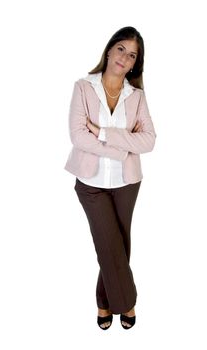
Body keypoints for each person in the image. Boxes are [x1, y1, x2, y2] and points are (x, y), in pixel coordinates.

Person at [64, 26, 156, 330]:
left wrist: (103, 133)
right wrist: (120, 148)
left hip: (127, 183)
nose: (125, 58)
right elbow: (78, 136)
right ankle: (127, 302)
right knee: (108, 242)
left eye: (132, 56)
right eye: (121, 49)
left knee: (117, 244)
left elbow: (148, 141)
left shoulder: (137, 96)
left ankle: (104, 303)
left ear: (134, 64)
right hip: (91, 183)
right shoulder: (83, 87)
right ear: (109, 50)